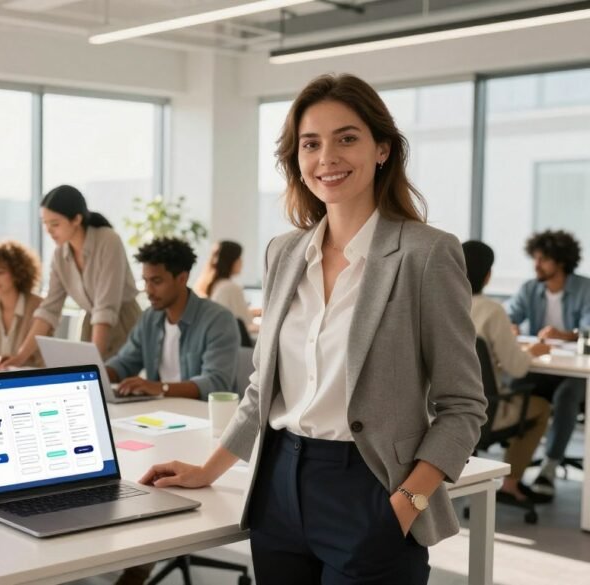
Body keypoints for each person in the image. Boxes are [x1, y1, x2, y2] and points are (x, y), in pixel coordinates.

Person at [137, 74, 486, 585]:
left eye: (347, 138)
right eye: (311, 143)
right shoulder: (284, 252)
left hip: (370, 488)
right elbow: (262, 387)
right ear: (295, 159)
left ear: (382, 148)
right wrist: (210, 468)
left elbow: (464, 406)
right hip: (278, 484)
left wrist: (408, 502)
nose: (328, 157)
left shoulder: (425, 254)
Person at [0, 185, 140, 368]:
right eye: (45, 223)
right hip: (91, 327)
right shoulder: (60, 254)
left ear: (76, 219)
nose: (49, 230)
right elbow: (49, 310)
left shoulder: (108, 240)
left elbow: (106, 308)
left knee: (115, 386)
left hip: (122, 325)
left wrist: (93, 364)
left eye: (55, 224)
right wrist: (20, 357)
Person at [463, 240, 552, 505]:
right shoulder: (491, 310)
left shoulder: (438, 304)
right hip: (486, 411)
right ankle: (511, 485)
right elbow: (517, 367)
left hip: (439, 410)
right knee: (541, 407)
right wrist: (533, 352)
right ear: (488, 276)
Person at [506, 229, 590, 499]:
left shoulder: (583, 288)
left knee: (567, 395)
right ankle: (512, 469)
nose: (536, 265)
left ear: (561, 261)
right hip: (546, 367)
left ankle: (550, 467)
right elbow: (510, 315)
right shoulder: (531, 288)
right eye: (535, 258)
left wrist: (564, 334)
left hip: (576, 370)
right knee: (518, 384)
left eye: (543, 259)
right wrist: (510, 327)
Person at [106, 237, 239, 398]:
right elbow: (125, 363)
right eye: (145, 281)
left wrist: (161, 388)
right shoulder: (150, 317)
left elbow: (216, 384)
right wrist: (95, 375)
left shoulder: (218, 320)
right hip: (159, 413)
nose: (148, 290)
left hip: (201, 416)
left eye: (156, 281)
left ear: (182, 278)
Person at [193, 239, 254, 346]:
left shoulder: (214, 285)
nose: (241, 262)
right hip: (239, 349)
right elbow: (244, 324)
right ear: (231, 261)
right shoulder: (231, 288)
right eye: (239, 258)